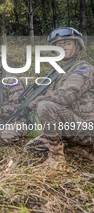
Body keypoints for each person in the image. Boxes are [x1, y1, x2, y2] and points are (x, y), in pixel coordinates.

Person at [24, 27, 94, 168]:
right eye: (59, 45)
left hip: (87, 129)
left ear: (78, 47)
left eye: (67, 43)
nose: (62, 47)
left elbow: (67, 94)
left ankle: (57, 159)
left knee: (45, 105)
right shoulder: (58, 74)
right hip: (69, 130)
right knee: (32, 148)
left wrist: (37, 100)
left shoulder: (83, 68)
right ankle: (83, 151)